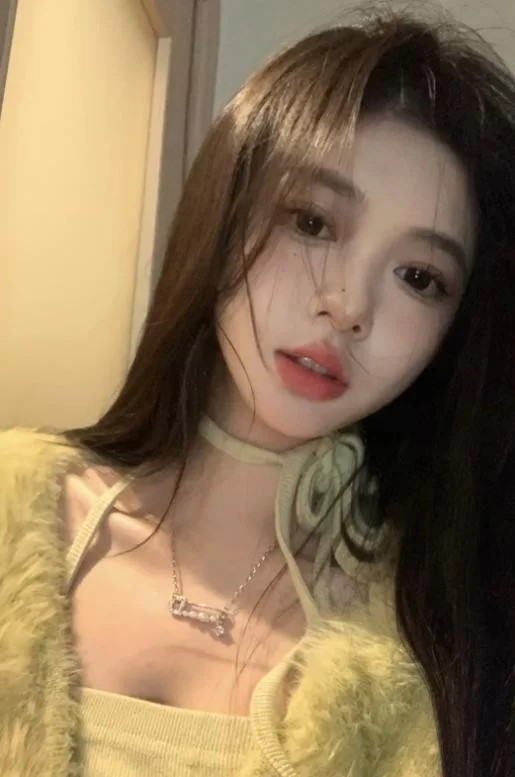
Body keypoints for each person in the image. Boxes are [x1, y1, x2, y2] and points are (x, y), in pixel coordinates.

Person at [1, 8, 514, 777]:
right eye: (312, 221)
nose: (348, 305)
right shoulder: (18, 514)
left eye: (418, 276)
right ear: (226, 208)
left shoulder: (437, 646)